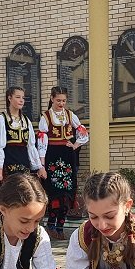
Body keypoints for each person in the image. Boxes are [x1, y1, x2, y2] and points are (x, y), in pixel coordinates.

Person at [37, 86, 89, 240]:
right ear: (52, 99)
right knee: (54, 192)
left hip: (67, 156)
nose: (61, 103)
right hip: (52, 156)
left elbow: (83, 132)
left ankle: (60, 226)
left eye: (64, 101)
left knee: (67, 192)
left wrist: (75, 145)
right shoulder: (46, 117)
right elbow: (42, 142)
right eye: (58, 100)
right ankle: (51, 225)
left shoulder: (70, 115)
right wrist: (42, 163)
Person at [0, 86, 44, 180]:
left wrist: (39, 167)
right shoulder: (2, 119)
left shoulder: (26, 120)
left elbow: (31, 146)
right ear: (9, 98)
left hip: (24, 164)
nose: (21, 100)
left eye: (23, 98)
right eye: (18, 97)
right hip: (9, 164)